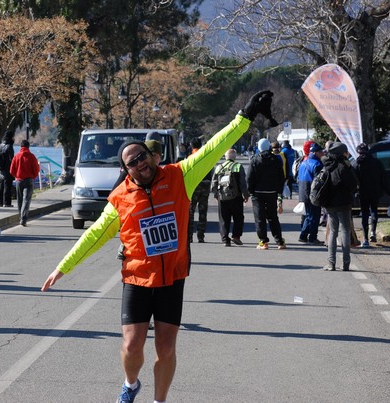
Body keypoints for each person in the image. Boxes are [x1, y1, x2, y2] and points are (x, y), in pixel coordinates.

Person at [41, 90, 277, 403]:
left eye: (143, 157)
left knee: (165, 349)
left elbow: (214, 147)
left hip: (171, 278)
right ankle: (130, 383)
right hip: (137, 278)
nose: (140, 164)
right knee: (131, 346)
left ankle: (159, 400)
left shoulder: (181, 176)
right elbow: (94, 235)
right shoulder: (120, 199)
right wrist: (63, 267)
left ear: (153, 157)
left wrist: (243, 117)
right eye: (132, 163)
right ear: (126, 171)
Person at [321, 142, 359, 271]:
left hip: (329, 204)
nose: (347, 153)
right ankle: (346, 263)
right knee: (345, 231)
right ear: (341, 153)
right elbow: (354, 184)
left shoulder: (326, 165)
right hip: (344, 204)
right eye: (345, 151)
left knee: (332, 232)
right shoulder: (344, 166)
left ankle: (331, 263)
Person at [354, 143, 390, 248]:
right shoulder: (377, 163)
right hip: (375, 192)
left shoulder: (356, 164)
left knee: (364, 213)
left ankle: (365, 239)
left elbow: (353, 180)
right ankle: (373, 232)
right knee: (374, 211)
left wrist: (354, 191)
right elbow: (384, 179)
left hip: (362, 192)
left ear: (358, 152)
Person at [247, 138, 286, 250]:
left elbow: (249, 177)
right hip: (272, 192)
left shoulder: (254, 160)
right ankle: (279, 241)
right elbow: (281, 177)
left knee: (260, 217)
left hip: (258, 193)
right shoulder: (276, 159)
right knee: (273, 217)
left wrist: (250, 191)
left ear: (259, 148)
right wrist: (279, 191)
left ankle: (263, 242)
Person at [211, 148, 249, 246]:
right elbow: (243, 183)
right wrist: (245, 195)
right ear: (235, 157)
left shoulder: (219, 167)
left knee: (224, 218)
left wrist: (216, 195)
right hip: (236, 197)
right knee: (238, 217)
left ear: (225, 157)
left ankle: (225, 239)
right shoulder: (238, 166)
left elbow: (213, 184)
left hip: (222, 198)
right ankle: (236, 236)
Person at [297, 142, 324, 244]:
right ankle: (312, 237)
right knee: (314, 216)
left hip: (303, 191)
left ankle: (303, 236)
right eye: (321, 151)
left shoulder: (304, 162)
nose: (322, 153)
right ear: (316, 153)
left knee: (309, 215)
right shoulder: (317, 164)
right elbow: (319, 181)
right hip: (312, 192)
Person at [188, 136, 213, 243]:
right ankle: (201, 236)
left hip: (194, 186)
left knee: (191, 211)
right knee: (203, 211)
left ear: (191, 146)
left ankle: (189, 236)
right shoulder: (206, 156)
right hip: (206, 185)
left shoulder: (191, 157)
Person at [10, 140, 40, 226]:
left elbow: (11, 170)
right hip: (29, 180)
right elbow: (36, 169)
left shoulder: (16, 156)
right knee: (26, 200)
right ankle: (23, 218)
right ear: (28, 147)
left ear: (21, 147)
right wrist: (33, 177)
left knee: (19, 200)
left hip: (19, 180)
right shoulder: (32, 156)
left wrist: (16, 176)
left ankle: (21, 216)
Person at [0, 130, 15, 207]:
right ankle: (7, 202)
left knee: (2, 184)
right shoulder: (9, 146)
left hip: (0, 168)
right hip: (7, 168)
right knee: (7, 185)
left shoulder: (0, 145)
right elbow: (11, 159)